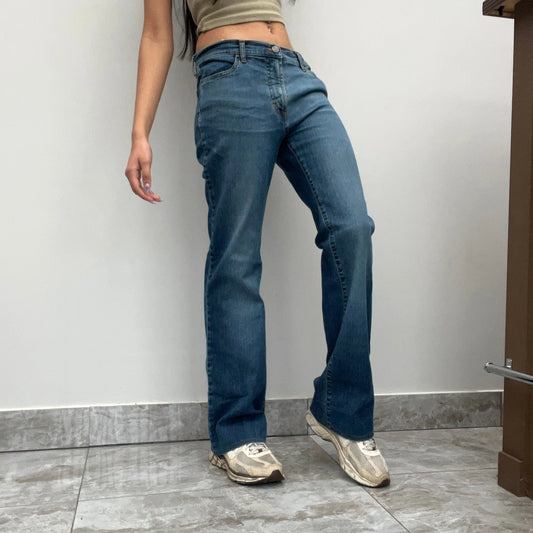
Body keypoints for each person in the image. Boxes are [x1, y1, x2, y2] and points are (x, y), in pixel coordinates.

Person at [124, 0, 390, 488]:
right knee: (237, 256)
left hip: (296, 73)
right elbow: (158, 34)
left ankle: (342, 410)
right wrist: (140, 131)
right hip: (229, 75)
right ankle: (237, 431)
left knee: (352, 227)